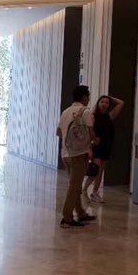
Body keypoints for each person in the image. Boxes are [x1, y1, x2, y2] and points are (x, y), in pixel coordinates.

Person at [56, 85, 98, 228]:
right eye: (88, 96)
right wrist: (95, 141)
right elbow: (91, 134)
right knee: (74, 186)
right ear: (84, 97)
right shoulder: (85, 111)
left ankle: (80, 213)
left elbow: (59, 133)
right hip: (79, 154)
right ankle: (67, 217)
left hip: (65, 153)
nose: (89, 99)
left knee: (75, 184)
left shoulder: (65, 111)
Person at [83, 95, 124, 204]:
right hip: (96, 146)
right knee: (96, 169)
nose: (104, 104)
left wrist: (109, 97)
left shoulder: (109, 116)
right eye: (102, 102)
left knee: (100, 171)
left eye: (106, 102)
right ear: (98, 103)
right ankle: (86, 190)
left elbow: (121, 103)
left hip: (107, 146)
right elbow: (89, 132)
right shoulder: (93, 116)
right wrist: (90, 146)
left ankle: (93, 192)